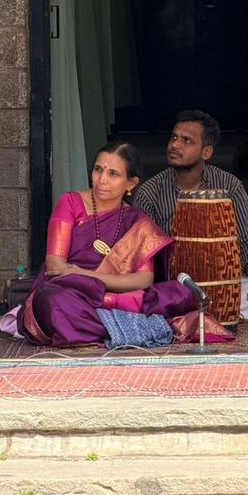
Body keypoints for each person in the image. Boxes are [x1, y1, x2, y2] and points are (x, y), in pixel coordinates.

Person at [18, 141, 197, 347]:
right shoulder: (70, 203)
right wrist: (87, 286)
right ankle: (140, 328)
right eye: (98, 170)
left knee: (182, 294)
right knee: (51, 302)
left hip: (111, 297)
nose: (102, 179)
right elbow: (55, 267)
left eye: (113, 174)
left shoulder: (137, 223)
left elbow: (144, 280)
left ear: (130, 184)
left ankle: (102, 326)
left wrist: (89, 278)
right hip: (72, 292)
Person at [133, 110, 248, 303]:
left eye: (187, 141)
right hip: (173, 287)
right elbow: (143, 257)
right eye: (174, 137)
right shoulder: (150, 193)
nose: (175, 145)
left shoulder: (229, 185)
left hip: (223, 283)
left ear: (206, 152)